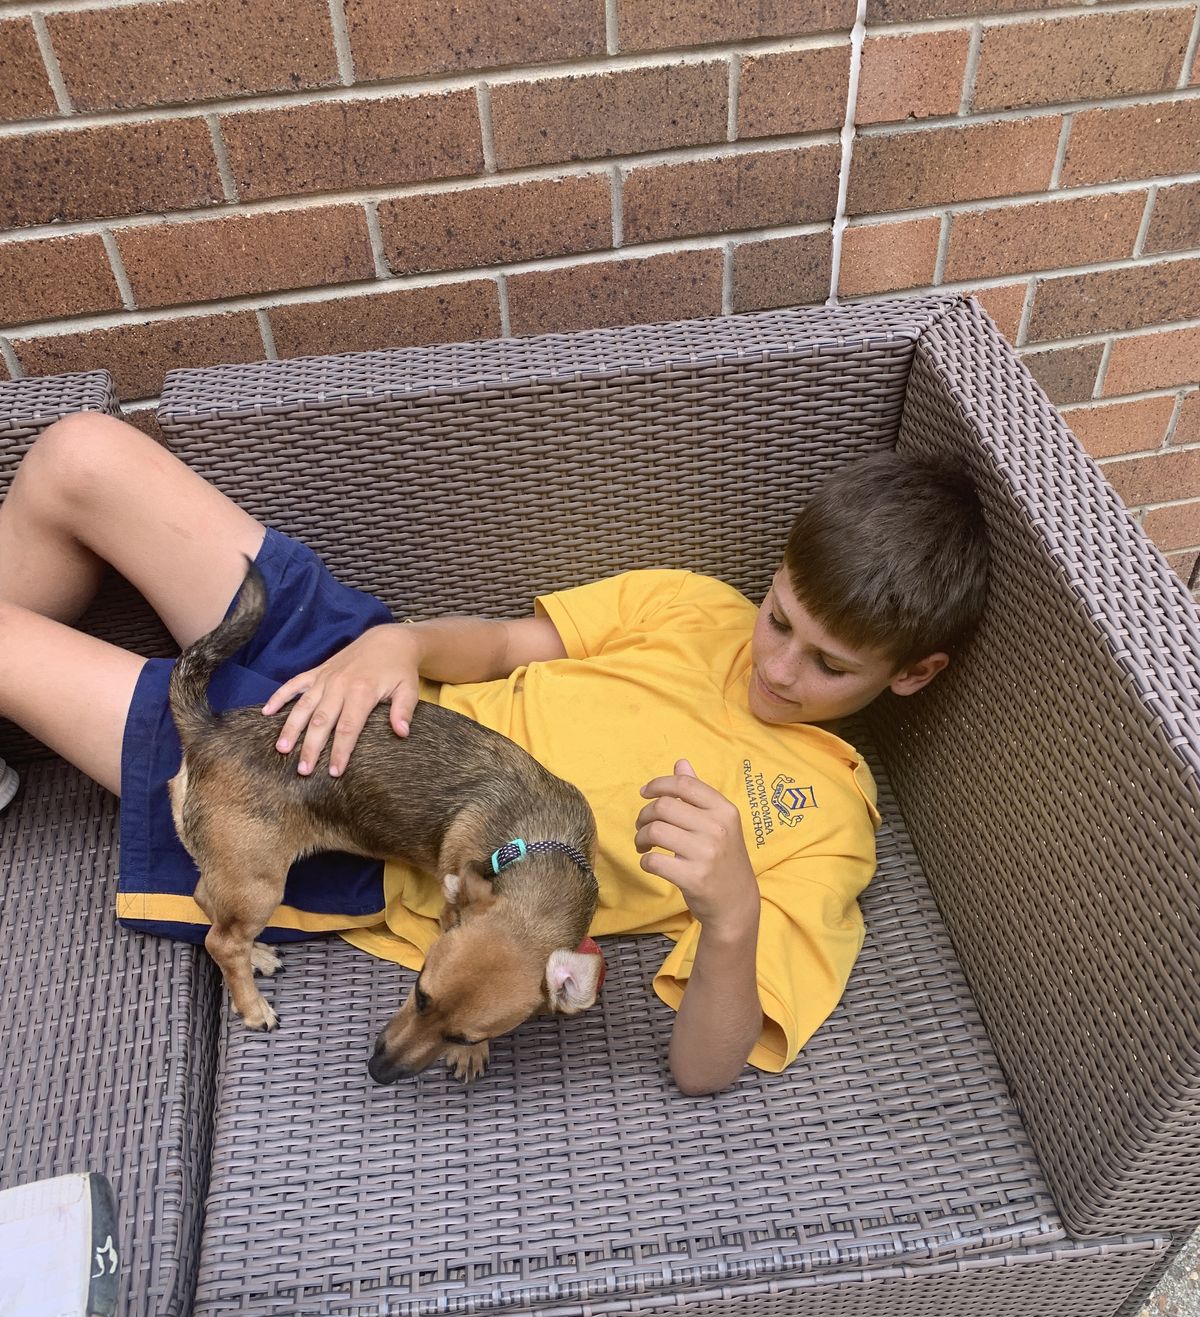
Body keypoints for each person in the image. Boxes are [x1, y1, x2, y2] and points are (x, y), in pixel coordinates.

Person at [0, 414, 987, 1094]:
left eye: (828, 665)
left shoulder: (829, 824)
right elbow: (511, 643)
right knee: (80, 455)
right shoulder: (696, 608)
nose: (777, 664)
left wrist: (731, 916)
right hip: (382, 682)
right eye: (779, 618)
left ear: (912, 674)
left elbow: (706, 1068)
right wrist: (401, 644)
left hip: (353, 831)